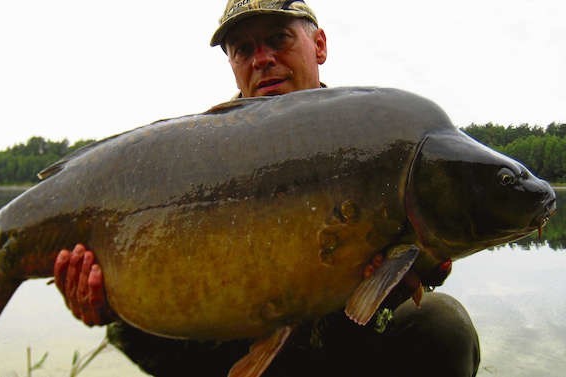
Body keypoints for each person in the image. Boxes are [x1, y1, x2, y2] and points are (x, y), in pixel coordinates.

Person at [54, 1, 481, 376]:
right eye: (244, 49)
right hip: (240, 335)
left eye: (278, 39)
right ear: (233, 63)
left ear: (320, 46)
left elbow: (415, 250)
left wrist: (423, 267)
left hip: (345, 338)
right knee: (125, 329)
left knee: (443, 327)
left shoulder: (370, 135)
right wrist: (108, 301)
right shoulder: (205, 151)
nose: (262, 59)